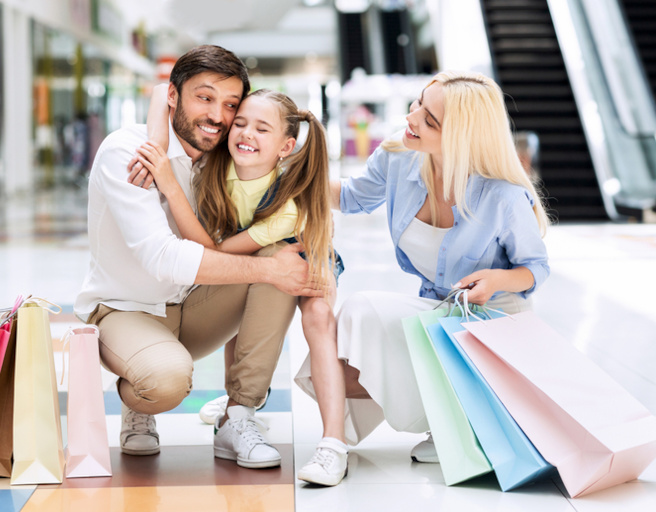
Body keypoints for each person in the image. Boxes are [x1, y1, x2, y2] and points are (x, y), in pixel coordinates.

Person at [293, 70, 550, 483]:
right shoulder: (399, 156)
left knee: (365, 313)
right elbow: (354, 196)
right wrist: (283, 173)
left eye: (430, 120)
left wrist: (495, 281)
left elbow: (534, 270)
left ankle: (466, 417)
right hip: (441, 311)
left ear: (463, 138)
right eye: (417, 104)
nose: (412, 119)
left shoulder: (502, 194)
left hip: (494, 323)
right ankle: (445, 420)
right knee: (357, 323)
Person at [74, 45, 323, 471]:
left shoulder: (219, 157)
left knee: (277, 256)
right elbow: (163, 258)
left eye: (230, 105)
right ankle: (139, 397)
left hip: (191, 307)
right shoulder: (128, 153)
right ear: (175, 96)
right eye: (203, 98)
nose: (218, 116)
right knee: (166, 381)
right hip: (124, 309)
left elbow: (276, 180)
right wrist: (269, 269)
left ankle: (239, 416)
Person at [127, 86, 349, 486]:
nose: (245, 133)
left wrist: (168, 183)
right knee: (257, 276)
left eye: (262, 129)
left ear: (286, 147)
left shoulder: (287, 205)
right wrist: (156, 146)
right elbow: (163, 91)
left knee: (317, 318)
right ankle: (238, 408)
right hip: (257, 262)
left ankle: (333, 443)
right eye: (240, 123)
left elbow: (218, 251)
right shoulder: (216, 162)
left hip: (305, 254)